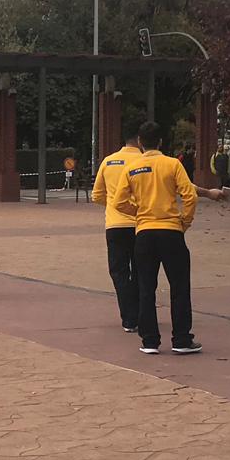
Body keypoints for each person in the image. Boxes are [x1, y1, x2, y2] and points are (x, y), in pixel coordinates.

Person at [110, 121, 200, 355]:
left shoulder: (132, 168)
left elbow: (118, 202)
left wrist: (139, 213)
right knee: (179, 286)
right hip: (171, 231)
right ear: (161, 142)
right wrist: (184, 222)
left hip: (144, 233)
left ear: (140, 142)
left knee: (145, 286)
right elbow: (189, 196)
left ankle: (149, 340)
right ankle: (181, 339)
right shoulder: (173, 164)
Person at [91, 131, 144, 331]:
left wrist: (112, 205)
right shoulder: (145, 161)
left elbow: (96, 195)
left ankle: (129, 318)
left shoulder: (109, 161)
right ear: (140, 141)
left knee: (119, 271)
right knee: (141, 271)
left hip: (115, 225)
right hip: (141, 224)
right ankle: (141, 313)